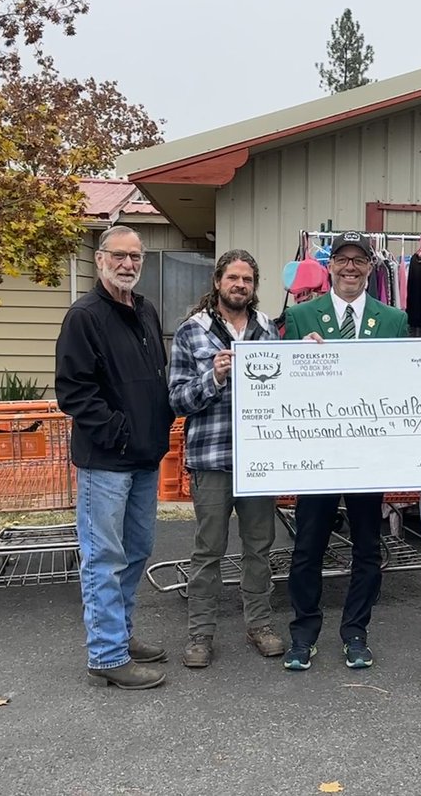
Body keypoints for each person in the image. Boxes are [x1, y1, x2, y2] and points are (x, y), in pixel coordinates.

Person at [282, 230, 409, 671]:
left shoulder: (393, 319)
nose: (351, 267)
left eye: (359, 260)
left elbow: (403, 382)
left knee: (367, 548)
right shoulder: (301, 317)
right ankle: (303, 633)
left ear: (371, 268)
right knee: (308, 548)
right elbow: (283, 384)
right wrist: (297, 357)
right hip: (317, 453)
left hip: (368, 454)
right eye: (343, 259)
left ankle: (356, 631)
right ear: (330, 266)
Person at [55, 226, 175, 690]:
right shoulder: (84, 316)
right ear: (100, 260)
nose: (128, 264)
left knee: (137, 550)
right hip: (106, 461)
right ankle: (105, 654)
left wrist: (155, 426)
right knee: (103, 556)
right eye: (119, 256)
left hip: (144, 457)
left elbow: (153, 378)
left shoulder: (143, 309)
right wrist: (120, 434)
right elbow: (74, 392)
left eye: (136, 256)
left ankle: (120, 636)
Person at [169, 249, 285, 669]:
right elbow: (177, 400)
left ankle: (260, 624)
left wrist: (308, 356)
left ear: (254, 287)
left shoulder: (268, 329)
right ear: (218, 282)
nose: (240, 285)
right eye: (233, 278)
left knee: (260, 547)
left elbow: (287, 385)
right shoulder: (191, 332)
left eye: (248, 280)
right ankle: (200, 633)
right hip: (212, 458)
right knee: (208, 550)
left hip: (258, 460)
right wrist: (213, 377)